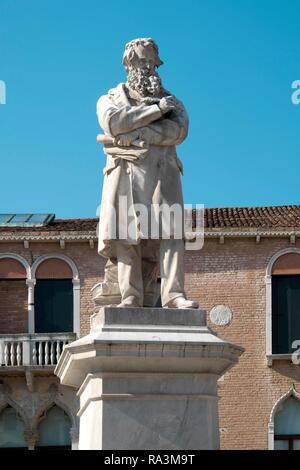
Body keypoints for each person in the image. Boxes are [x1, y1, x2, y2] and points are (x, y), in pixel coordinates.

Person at [96, 38, 198, 309]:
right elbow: (115, 123)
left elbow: (178, 131)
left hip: (164, 172)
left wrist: (140, 133)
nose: (149, 67)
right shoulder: (110, 98)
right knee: (125, 233)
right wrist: (156, 111)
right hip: (126, 173)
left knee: (171, 233)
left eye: (153, 62)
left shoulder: (173, 101)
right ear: (129, 63)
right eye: (143, 61)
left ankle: (174, 294)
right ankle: (131, 296)